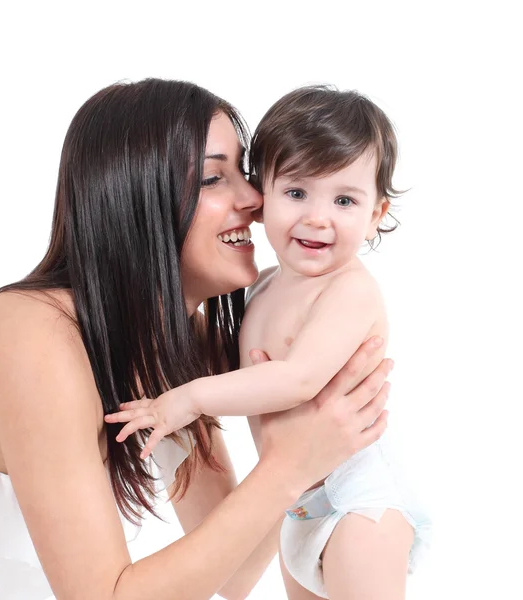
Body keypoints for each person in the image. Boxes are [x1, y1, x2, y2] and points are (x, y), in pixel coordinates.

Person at [0, 79, 392, 600]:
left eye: (246, 171)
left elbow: (232, 577)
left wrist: (305, 452)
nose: (255, 199)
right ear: (138, 199)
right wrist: (289, 465)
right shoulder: (32, 337)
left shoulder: (169, 341)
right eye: (216, 178)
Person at [110, 85, 431, 599]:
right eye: (297, 193)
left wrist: (187, 400)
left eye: (345, 200)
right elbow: (228, 365)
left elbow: (296, 380)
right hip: (296, 504)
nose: (317, 217)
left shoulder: (349, 290)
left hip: (359, 503)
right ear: (263, 199)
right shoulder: (262, 286)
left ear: (376, 214)